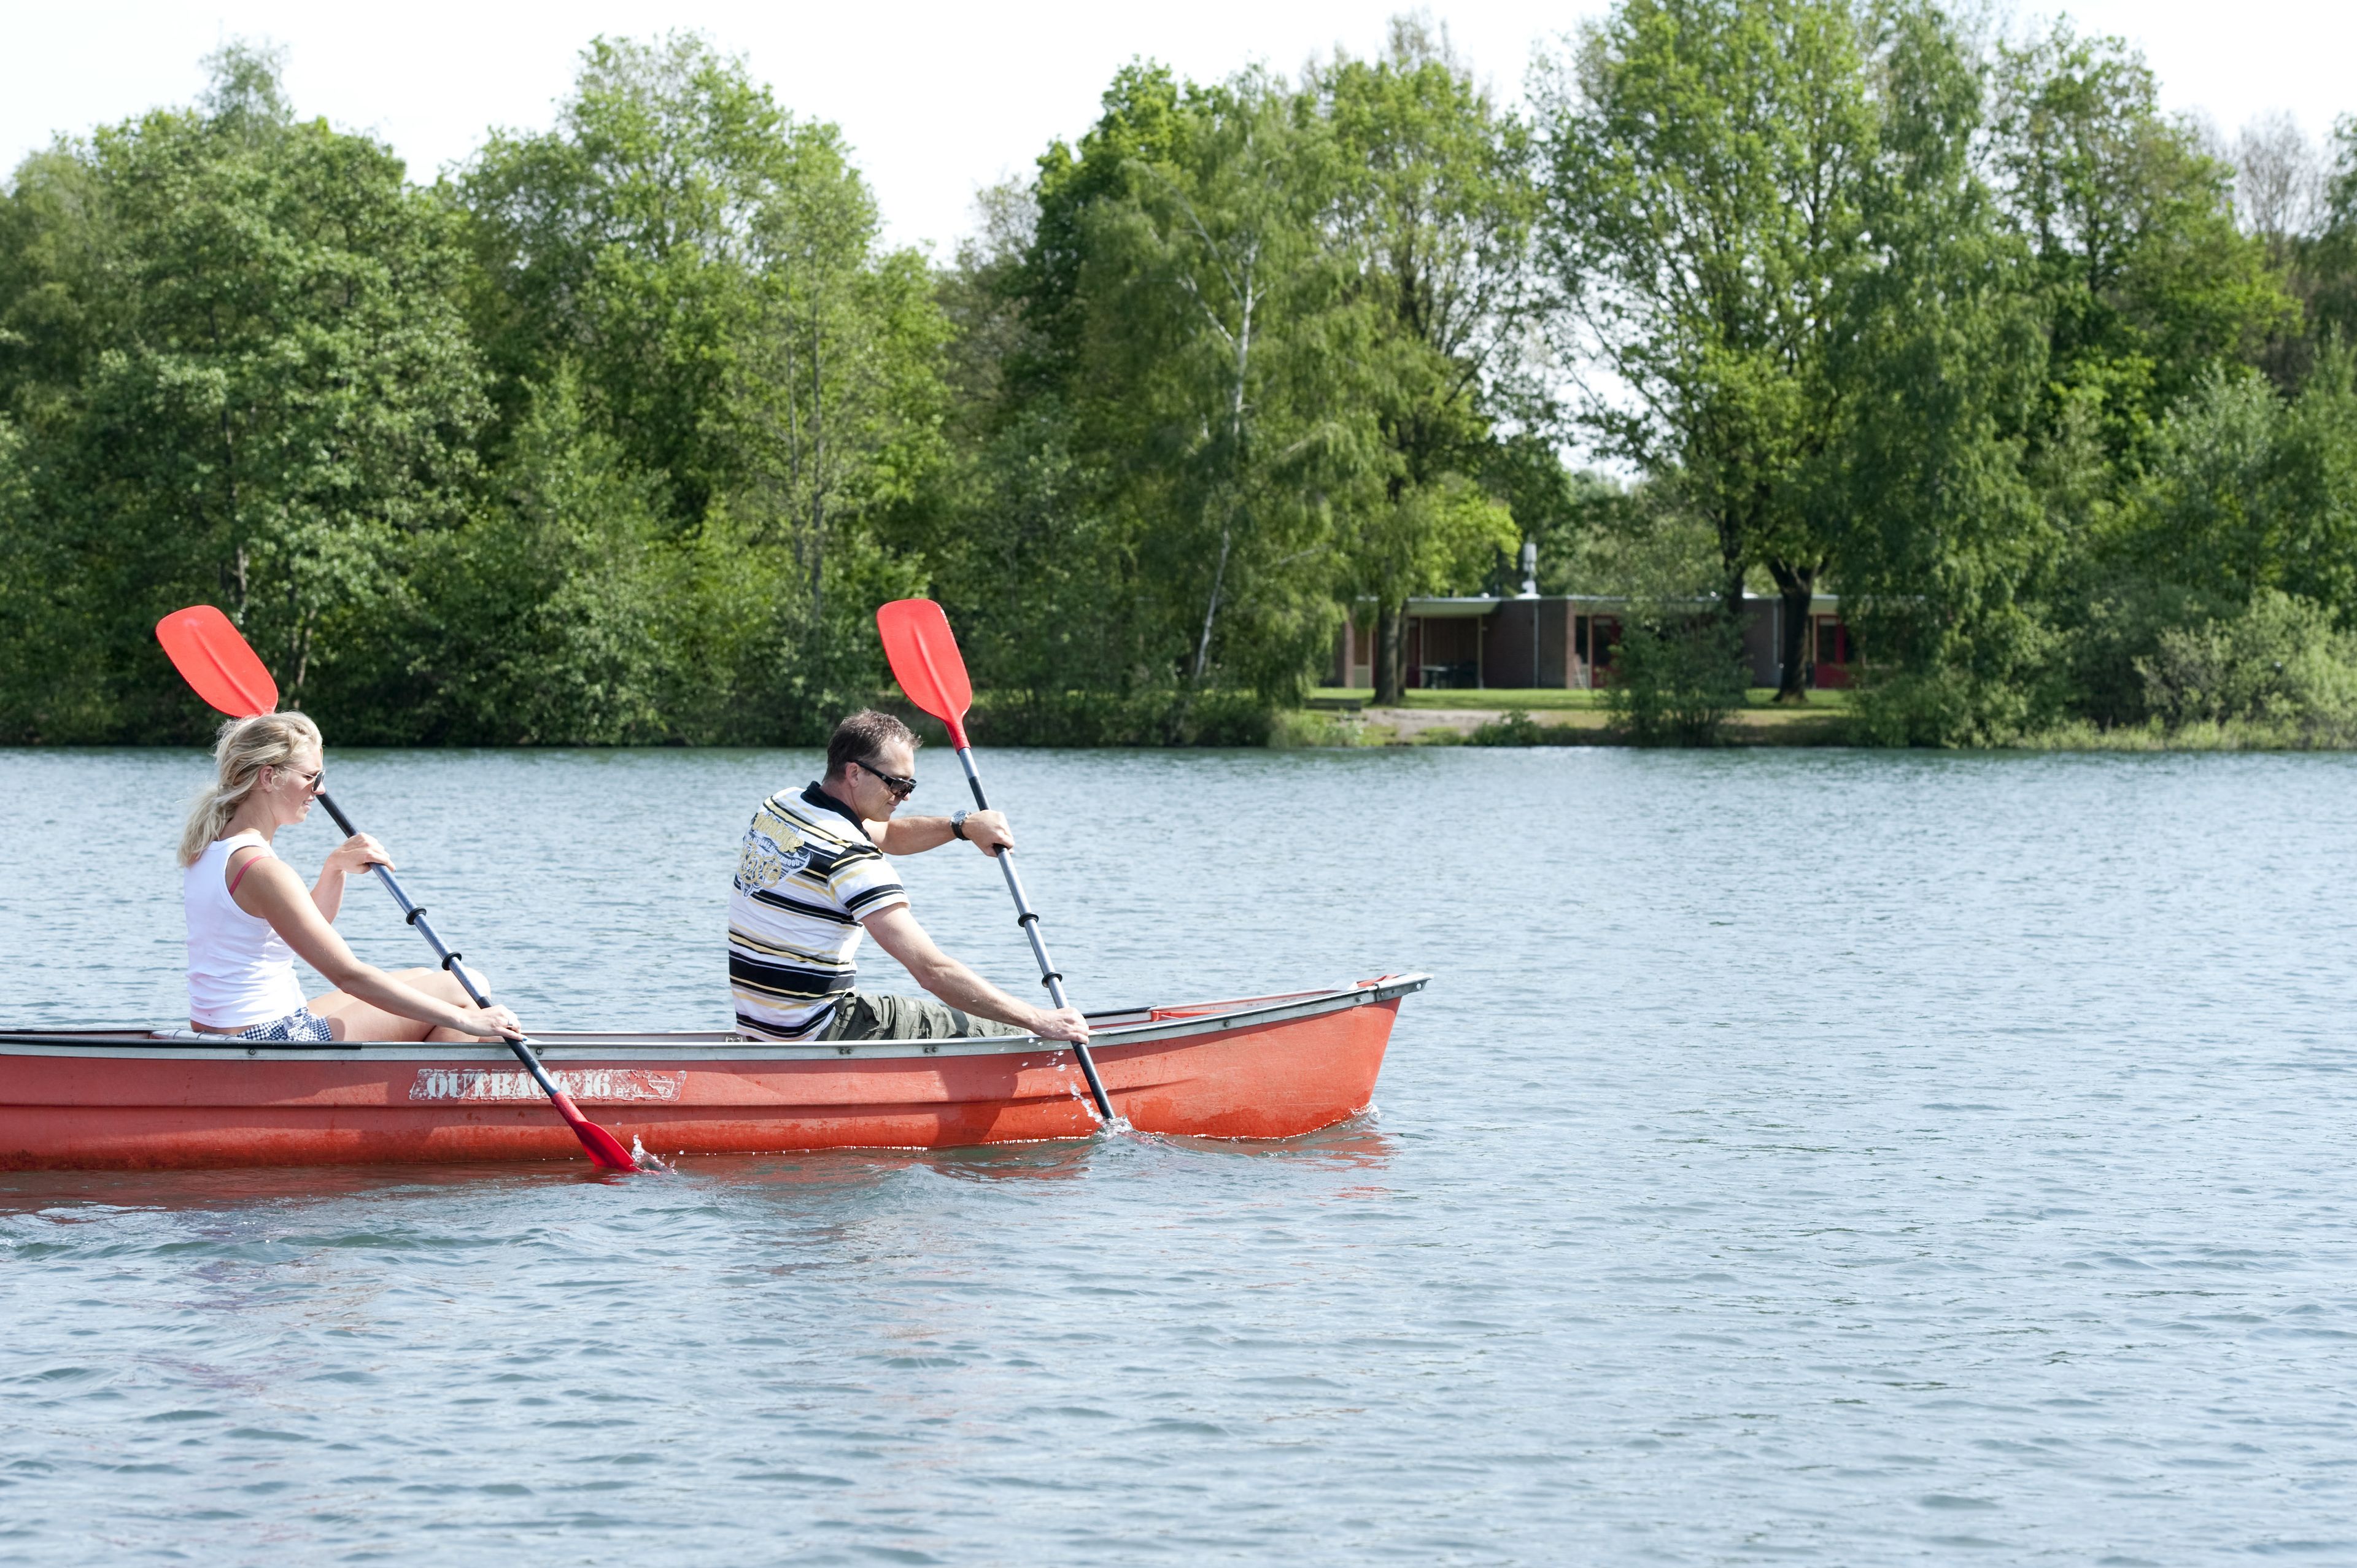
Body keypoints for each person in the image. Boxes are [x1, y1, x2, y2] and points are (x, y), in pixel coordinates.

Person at [729, 709, 1091, 1044]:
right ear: (854, 773)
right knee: (1002, 1031)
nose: (903, 797)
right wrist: (1039, 1020)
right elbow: (932, 971)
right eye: (896, 784)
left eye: (910, 786)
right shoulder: (852, 859)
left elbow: (884, 834)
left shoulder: (782, 806)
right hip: (817, 1028)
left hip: (762, 1024)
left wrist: (962, 826)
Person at [180, 713, 523, 1044]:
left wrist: (335, 869)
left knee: (422, 977)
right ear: (269, 778)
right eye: (311, 777)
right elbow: (348, 976)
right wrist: (467, 1019)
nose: (319, 790)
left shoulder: (213, 847)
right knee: (465, 987)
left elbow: (300, 933)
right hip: (269, 1036)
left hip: (239, 1027)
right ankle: (432, 1095)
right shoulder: (262, 869)